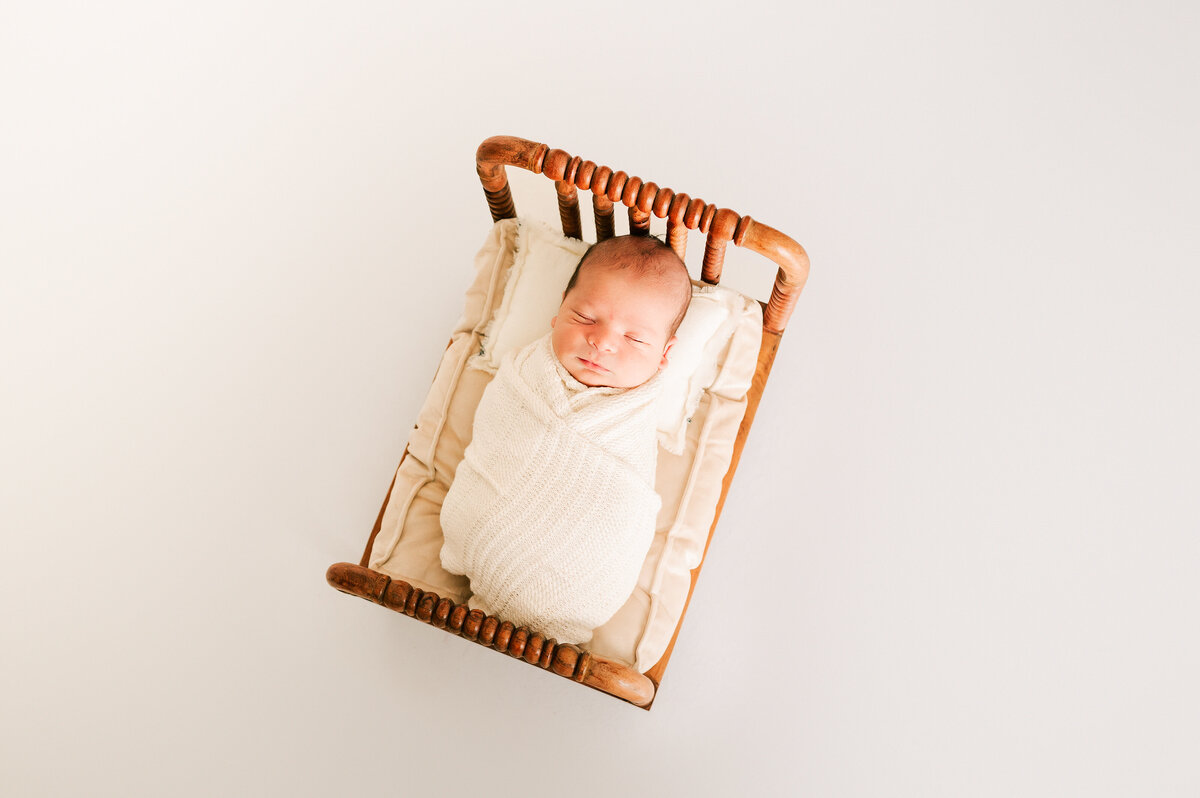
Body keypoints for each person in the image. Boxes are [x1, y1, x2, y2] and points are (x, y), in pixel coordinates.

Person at [439, 235, 691, 644]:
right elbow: (496, 434)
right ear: (558, 310)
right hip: (482, 528)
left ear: (664, 353)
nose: (603, 341)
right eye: (586, 317)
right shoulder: (524, 375)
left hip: (576, 581)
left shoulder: (634, 414)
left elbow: (623, 505)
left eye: (635, 339)